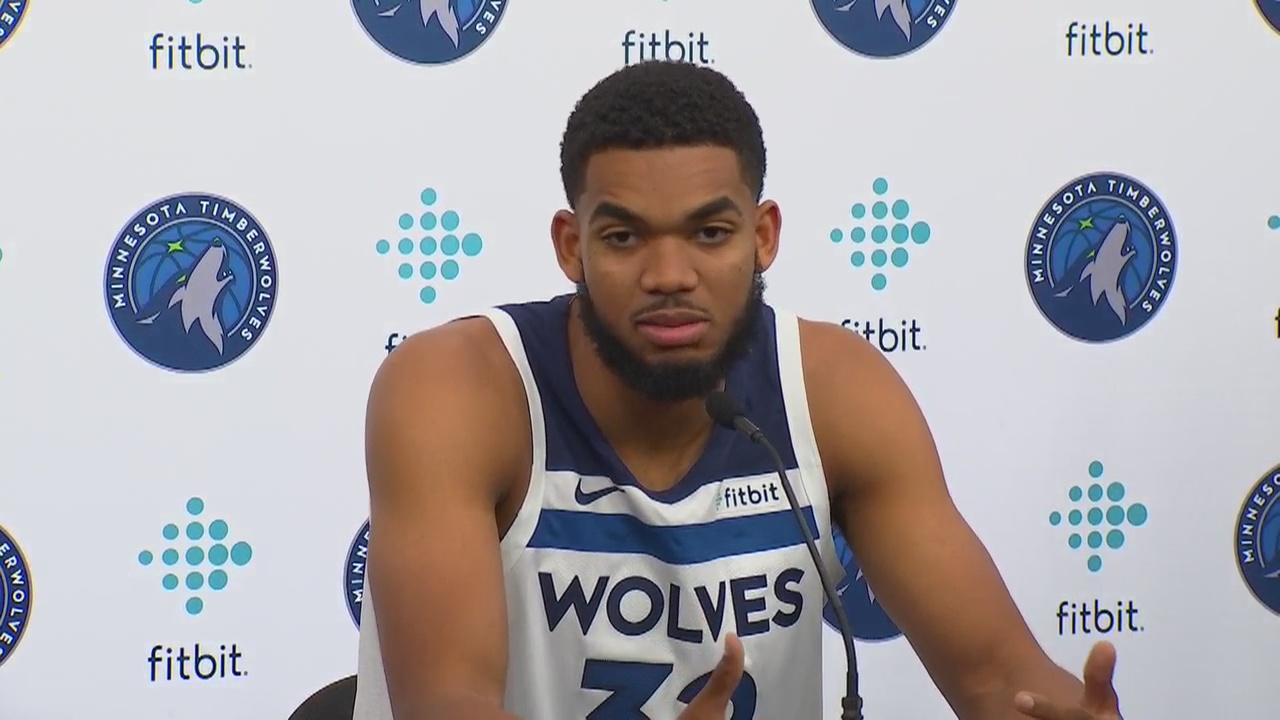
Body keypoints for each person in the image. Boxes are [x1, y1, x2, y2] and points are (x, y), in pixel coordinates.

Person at [352, 60, 1126, 720]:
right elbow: (448, 701)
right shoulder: (458, 390)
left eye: (709, 234)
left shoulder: (833, 391)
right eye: (623, 237)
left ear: (763, 237)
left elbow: (997, 677)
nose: (669, 276)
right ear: (571, 245)